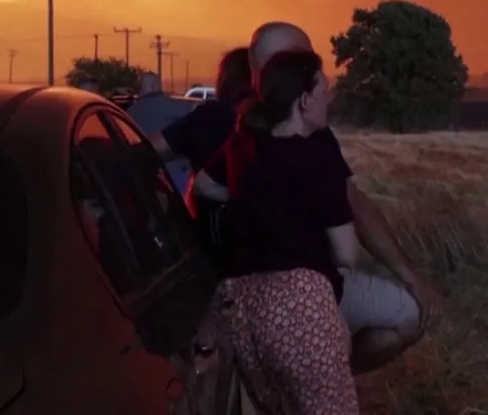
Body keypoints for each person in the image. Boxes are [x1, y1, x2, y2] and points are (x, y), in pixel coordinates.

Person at [195, 21, 444, 375]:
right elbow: (348, 240)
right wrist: (410, 277)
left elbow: (202, 185)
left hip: (239, 291)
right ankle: (326, 373)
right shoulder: (310, 136)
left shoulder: (230, 128)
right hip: (310, 293)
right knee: (406, 314)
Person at [208, 48, 358, 414]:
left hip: (243, 309)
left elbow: (203, 186)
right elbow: (346, 253)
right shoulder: (317, 158)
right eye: (324, 91)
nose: (330, 98)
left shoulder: (245, 147)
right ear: (305, 101)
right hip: (300, 308)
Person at [149, 47, 252, 211]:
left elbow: (148, 150)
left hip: (207, 229)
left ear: (224, 79)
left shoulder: (210, 116)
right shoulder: (276, 121)